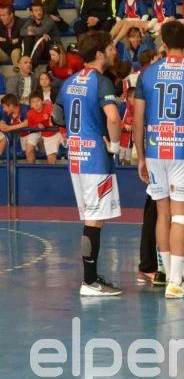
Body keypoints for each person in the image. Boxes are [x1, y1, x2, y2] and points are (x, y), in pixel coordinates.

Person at [133, 21, 184, 298]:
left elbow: (138, 120)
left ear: (162, 43)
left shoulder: (147, 73)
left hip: (154, 150)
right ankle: (176, 281)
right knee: (181, 215)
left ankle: (168, 276)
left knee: (163, 214)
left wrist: (141, 157)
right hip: (182, 151)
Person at [55, 30, 122, 296]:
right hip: (95, 158)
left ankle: (91, 278)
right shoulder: (101, 82)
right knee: (94, 221)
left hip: (76, 157)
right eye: (111, 48)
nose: (115, 51)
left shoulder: (69, 81)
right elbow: (113, 117)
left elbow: (56, 115)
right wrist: (114, 145)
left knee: (91, 218)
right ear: (99, 54)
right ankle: (89, 282)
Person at [24, 92, 62, 164]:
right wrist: (37, 126)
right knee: (28, 149)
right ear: (30, 105)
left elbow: (55, 121)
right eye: (33, 102)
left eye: (38, 100)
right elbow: (31, 127)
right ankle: (31, 168)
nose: (36, 103)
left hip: (51, 132)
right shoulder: (29, 113)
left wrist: (46, 124)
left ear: (42, 101)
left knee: (51, 159)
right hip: (37, 131)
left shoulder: (49, 107)